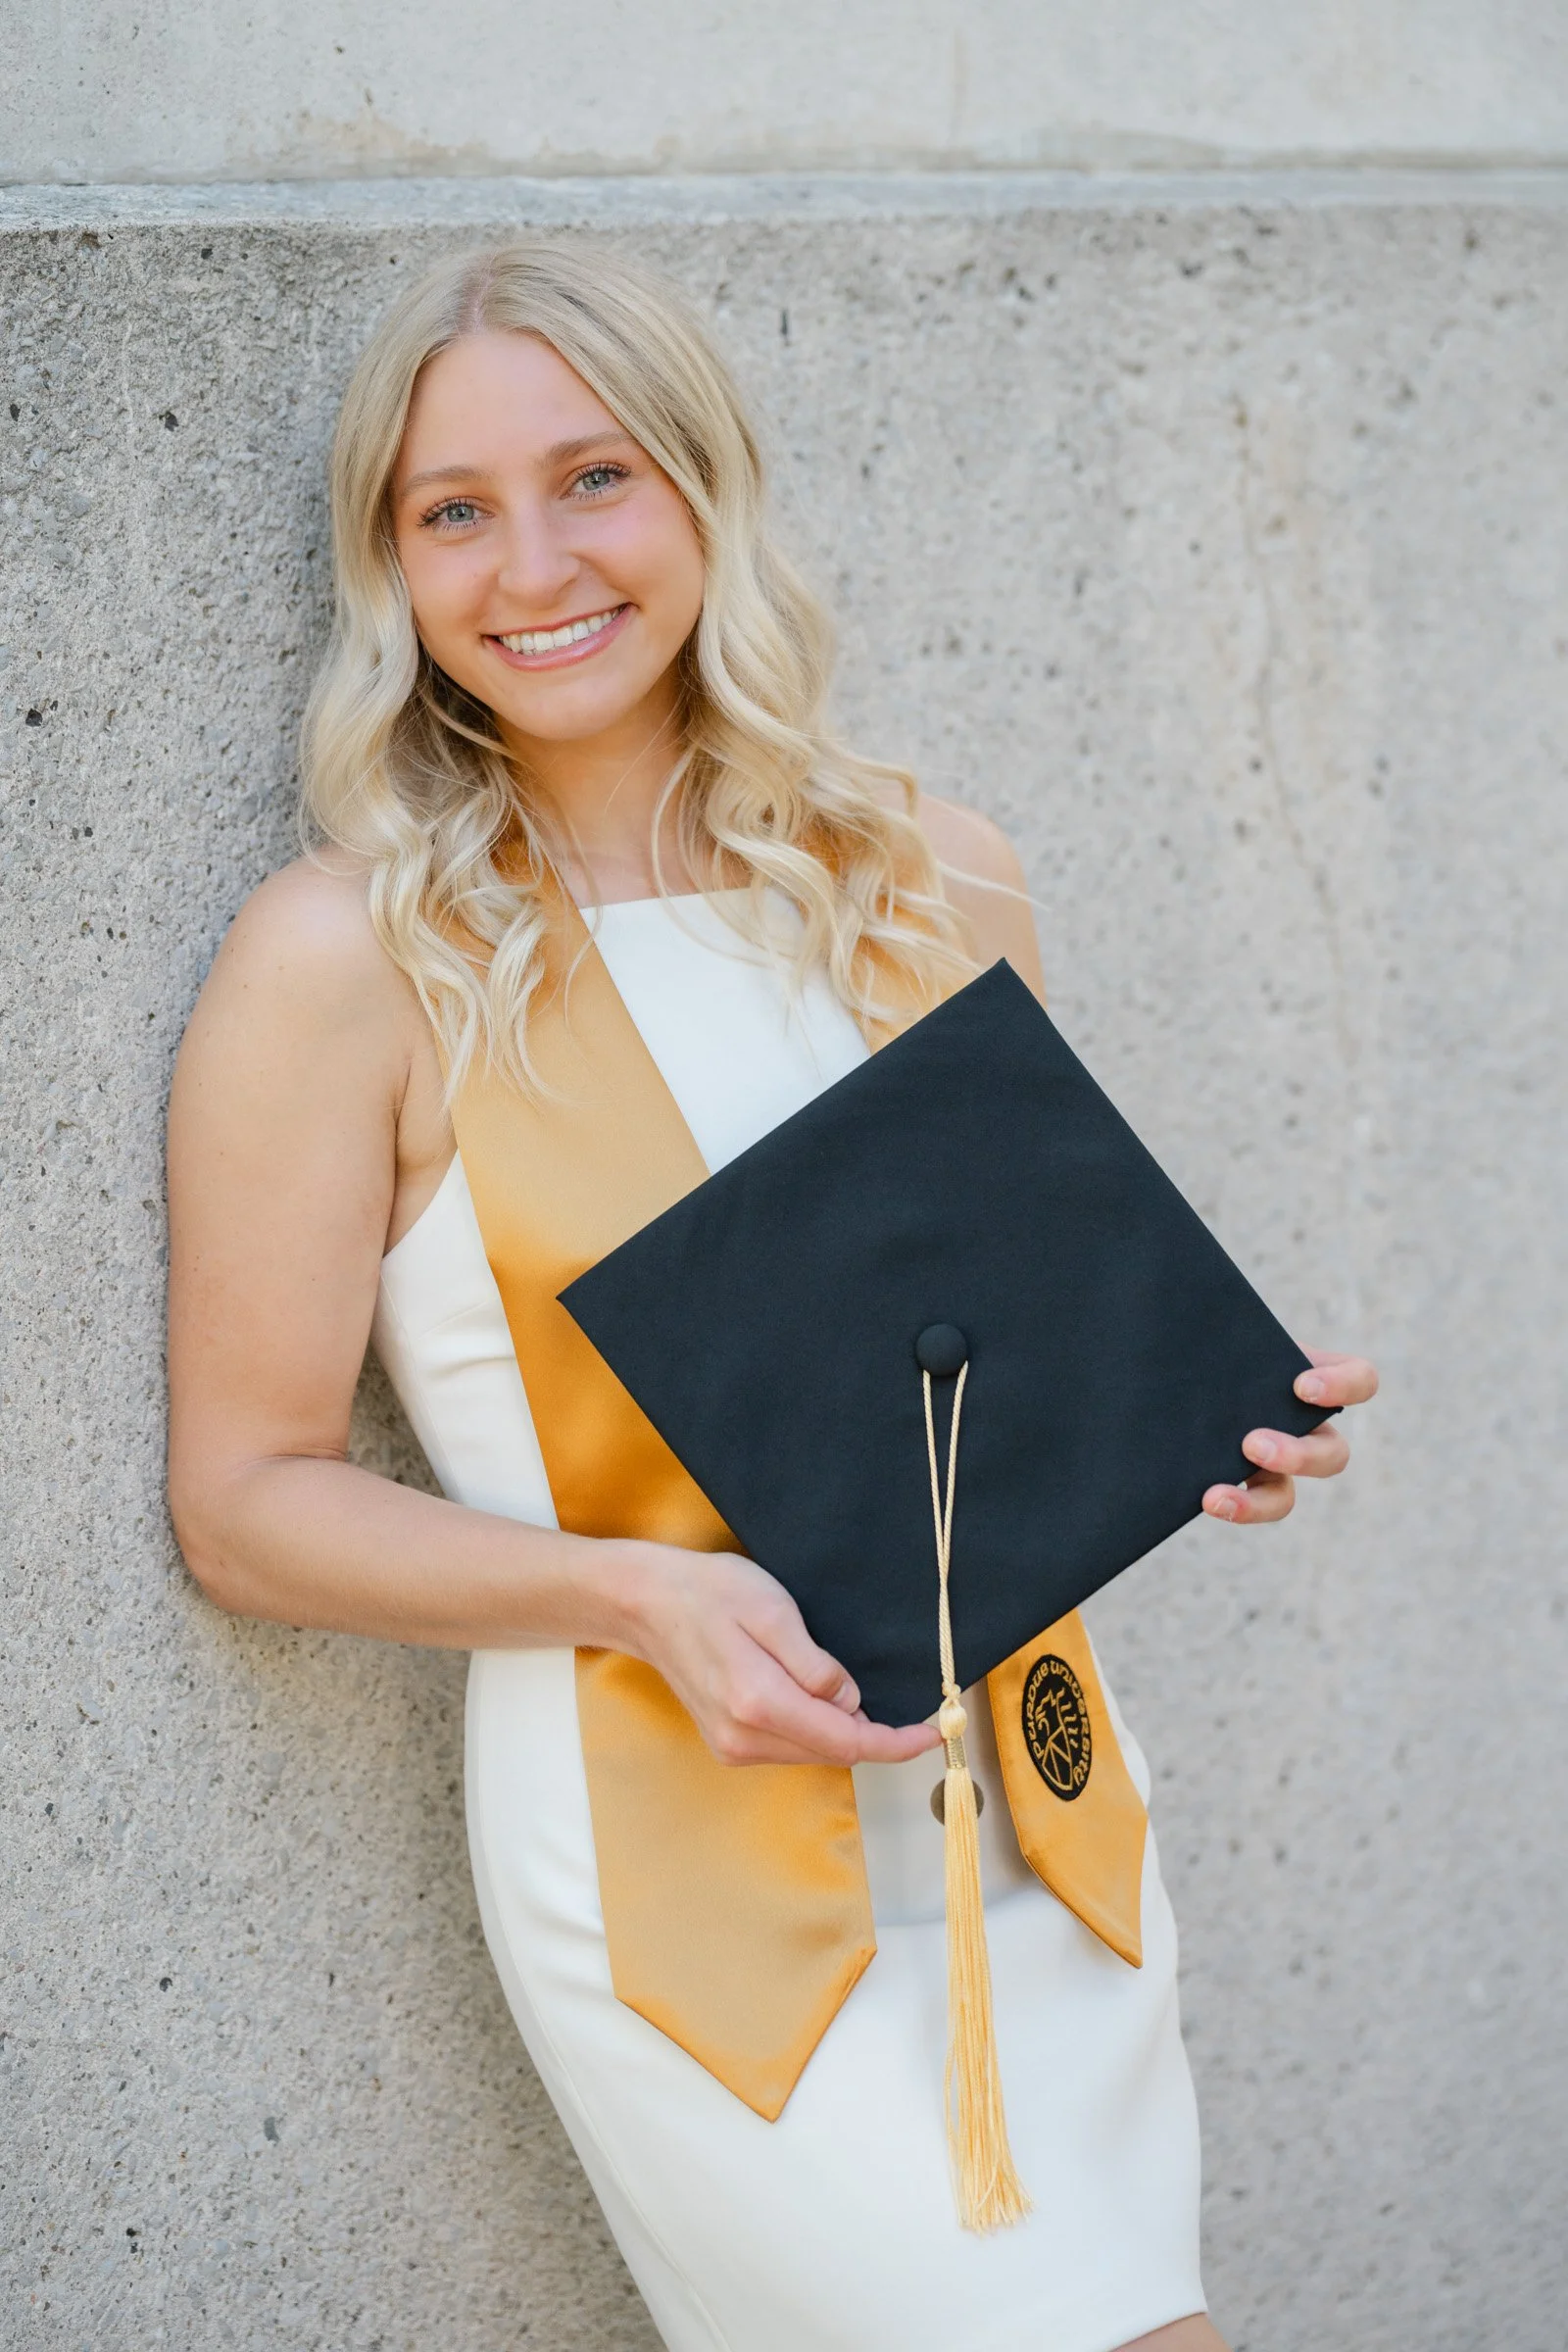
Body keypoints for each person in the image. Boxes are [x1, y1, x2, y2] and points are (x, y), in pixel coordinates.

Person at [167, 241, 1376, 2352]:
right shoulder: (347, 960)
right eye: (452, 511)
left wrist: (1180, 1429)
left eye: (594, 479)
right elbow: (246, 1497)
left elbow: (990, 1359)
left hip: (1036, 1820)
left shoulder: (929, 877)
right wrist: (639, 1596)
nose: (530, 561)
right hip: (685, 1858)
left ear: (708, 493)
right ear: (394, 566)